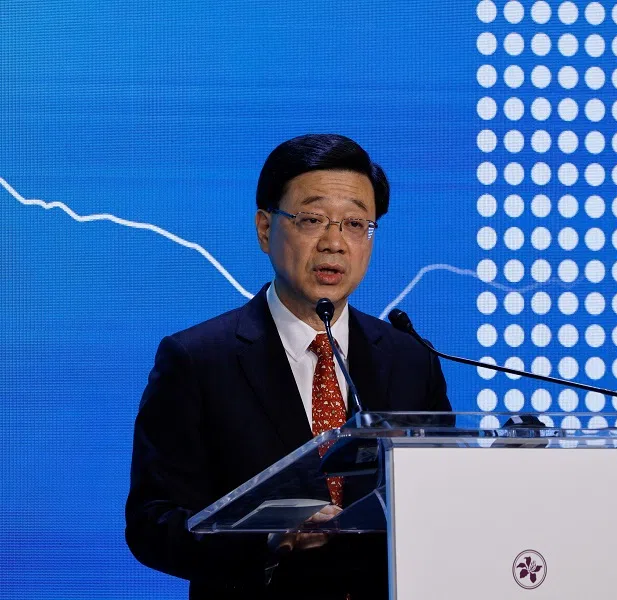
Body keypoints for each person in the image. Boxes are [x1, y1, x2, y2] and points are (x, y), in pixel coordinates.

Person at [125, 134, 451, 599]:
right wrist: (267, 541)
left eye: (357, 224)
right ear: (265, 229)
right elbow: (152, 525)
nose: (335, 243)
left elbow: (438, 504)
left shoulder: (409, 358)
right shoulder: (197, 360)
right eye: (313, 219)